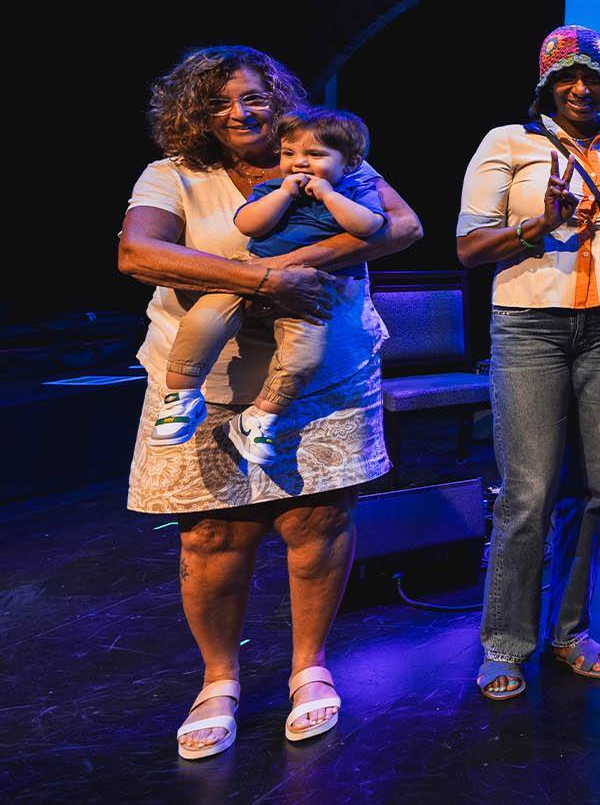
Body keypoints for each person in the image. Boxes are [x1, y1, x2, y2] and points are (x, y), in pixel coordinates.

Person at [119, 46, 422, 758]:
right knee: (213, 535)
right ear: (193, 112)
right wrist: (255, 282)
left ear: (278, 97)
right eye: (221, 102)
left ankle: (309, 667)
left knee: (315, 522)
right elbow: (138, 255)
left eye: (254, 96)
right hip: (208, 379)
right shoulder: (173, 175)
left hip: (322, 373)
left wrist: (282, 270)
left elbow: (401, 227)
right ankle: (218, 680)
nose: (239, 111)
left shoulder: (326, 157)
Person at [458, 25, 600, 700]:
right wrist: (532, 227)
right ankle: (506, 642)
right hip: (529, 327)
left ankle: (571, 631)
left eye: (592, 78)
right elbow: (469, 248)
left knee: (594, 491)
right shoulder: (508, 143)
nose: (580, 88)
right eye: (566, 77)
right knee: (529, 493)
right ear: (546, 83)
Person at [155, 107, 387, 463]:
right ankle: (181, 396)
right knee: (205, 319)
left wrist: (327, 195)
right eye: (289, 153)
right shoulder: (272, 188)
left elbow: (367, 227)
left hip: (314, 288)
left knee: (304, 357)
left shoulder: (356, 190)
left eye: (315, 154)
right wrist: (283, 195)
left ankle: (260, 417)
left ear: (351, 162)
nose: (299, 163)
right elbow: (249, 225)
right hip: (251, 271)